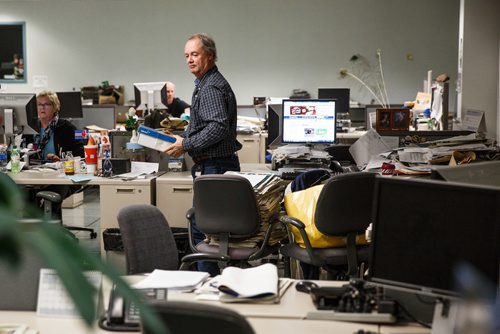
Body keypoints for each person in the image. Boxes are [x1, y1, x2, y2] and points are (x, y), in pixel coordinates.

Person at [165, 33, 242, 275]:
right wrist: (186, 139)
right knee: (214, 231)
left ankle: (207, 282)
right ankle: (218, 279)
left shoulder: (210, 87)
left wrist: (186, 144)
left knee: (203, 231)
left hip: (216, 166)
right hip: (217, 164)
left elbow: (217, 127)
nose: (189, 60)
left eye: (194, 54)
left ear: (209, 55)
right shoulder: (207, 83)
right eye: (186, 55)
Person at [30, 90, 84, 218]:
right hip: (34, 176)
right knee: (24, 197)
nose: (42, 107)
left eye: (47, 104)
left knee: (48, 200)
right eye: (39, 104)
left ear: (55, 107)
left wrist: (60, 159)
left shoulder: (68, 128)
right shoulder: (30, 128)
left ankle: (50, 232)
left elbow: (80, 154)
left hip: (62, 177)